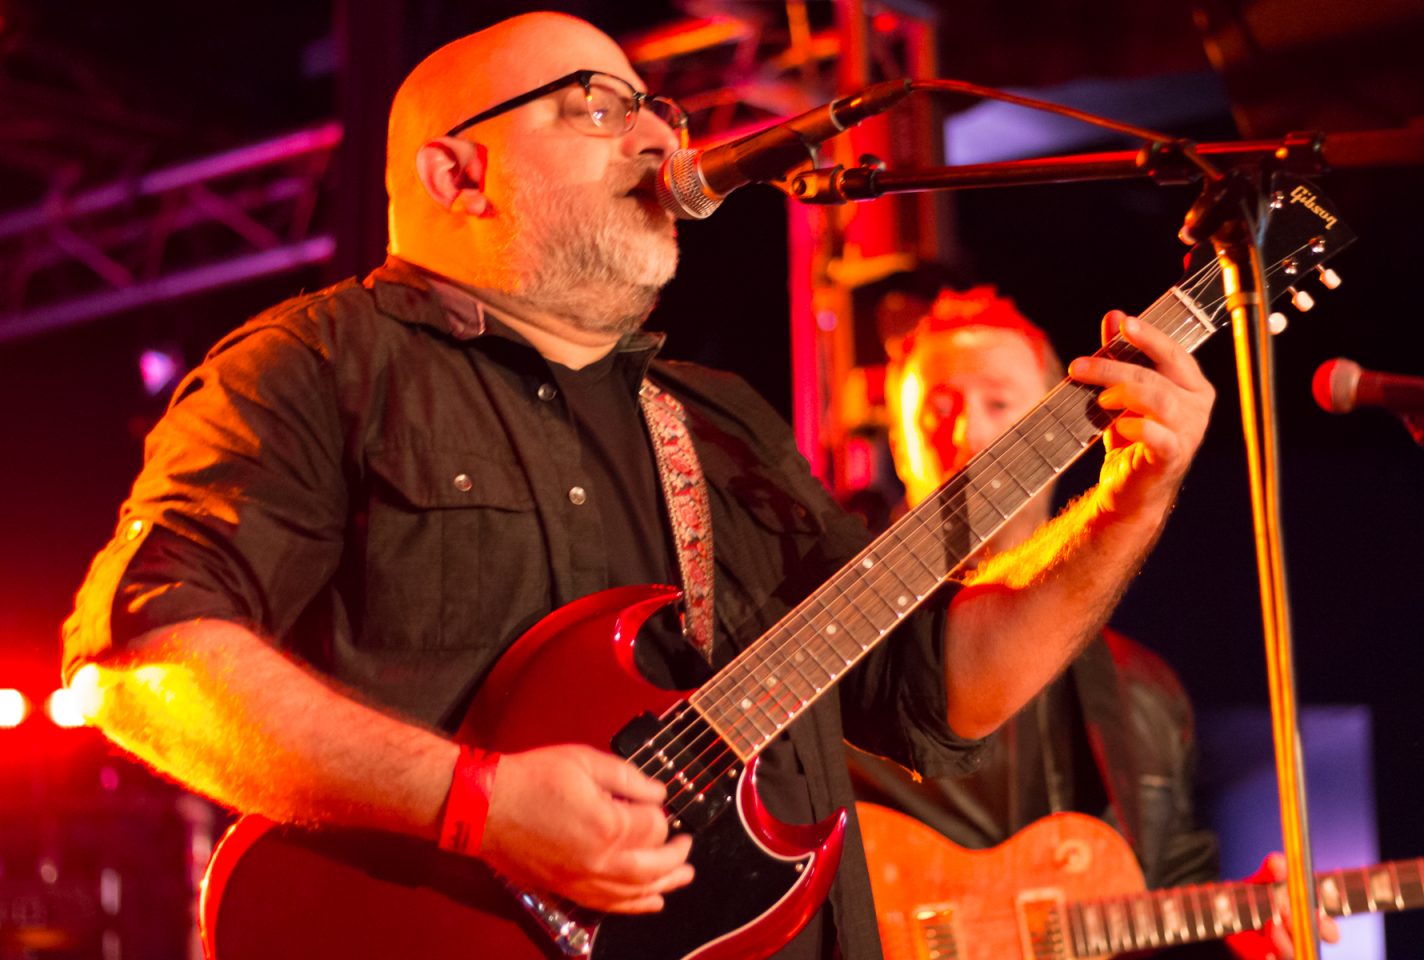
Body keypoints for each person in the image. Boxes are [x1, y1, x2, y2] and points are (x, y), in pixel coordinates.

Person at [60, 13, 1216, 960]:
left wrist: (1132, 496)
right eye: (597, 107)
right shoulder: (317, 368)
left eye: (657, 107)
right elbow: (146, 663)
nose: (661, 137)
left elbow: (944, 690)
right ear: (458, 172)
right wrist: (479, 806)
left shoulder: (720, 423)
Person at [849, 284, 1337, 959]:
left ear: (1054, 438)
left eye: (998, 403)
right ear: (898, 443)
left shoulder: (1142, 692)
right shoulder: (839, 649)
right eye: (936, 410)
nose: (970, 433)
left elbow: (1167, 907)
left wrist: (1242, 937)